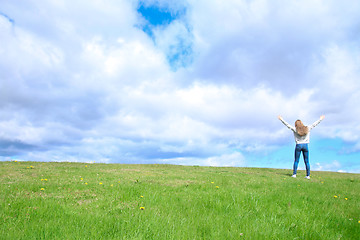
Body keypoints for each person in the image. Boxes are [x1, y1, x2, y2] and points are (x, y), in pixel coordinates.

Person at [278, 115, 325, 179]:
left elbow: (287, 125)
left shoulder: (295, 129)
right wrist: (320, 119)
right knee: (307, 161)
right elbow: (314, 124)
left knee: (296, 160)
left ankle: (294, 174)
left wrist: (281, 119)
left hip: (298, 145)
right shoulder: (307, 128)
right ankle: (308, 175)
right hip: (305, 145)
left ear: (296, 125)